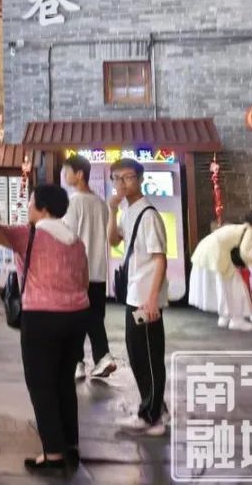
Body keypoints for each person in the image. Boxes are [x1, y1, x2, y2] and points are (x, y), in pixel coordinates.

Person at [0, 184, 89, 473]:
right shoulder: (76, 241)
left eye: (31, 202)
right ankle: (70, 445)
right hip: (77, 315)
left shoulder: (28, 235)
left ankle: (53, 454)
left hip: (41, 317)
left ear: (43, 208)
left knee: (41, 385)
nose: (28, 207)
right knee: (64, 381)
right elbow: (84, 279)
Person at [107, 158, 168, 436]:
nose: (121, 183)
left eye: (128, 177)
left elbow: (159, 259)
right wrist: (111, 209)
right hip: (134, 293)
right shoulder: (128, 211)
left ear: (140, 179)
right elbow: (113, 241)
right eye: (116, 178)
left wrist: (153, 299)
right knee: (137, 353)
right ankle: (156, 408)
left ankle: (151, 416)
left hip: (145, 296)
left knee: (147, 356)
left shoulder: (148, 214)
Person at [61, 154, 115, 380]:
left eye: (67, 172)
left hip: (77, 272)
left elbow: (67, 237)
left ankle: (82, 361)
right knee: (94, 317)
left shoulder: (74, 203)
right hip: (98, 271)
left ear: (79, 174)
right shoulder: (101, 204)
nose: (64, 176)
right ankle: (96, 359)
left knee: (75, 319)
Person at [189, 218, 252, 332]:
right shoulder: (249, 230)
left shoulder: (236, 228)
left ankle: (224, 316)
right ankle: (237, 320)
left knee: (222, 286)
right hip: (217, 255)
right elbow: (244, 253)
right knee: (237, 287)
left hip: (204, 252)